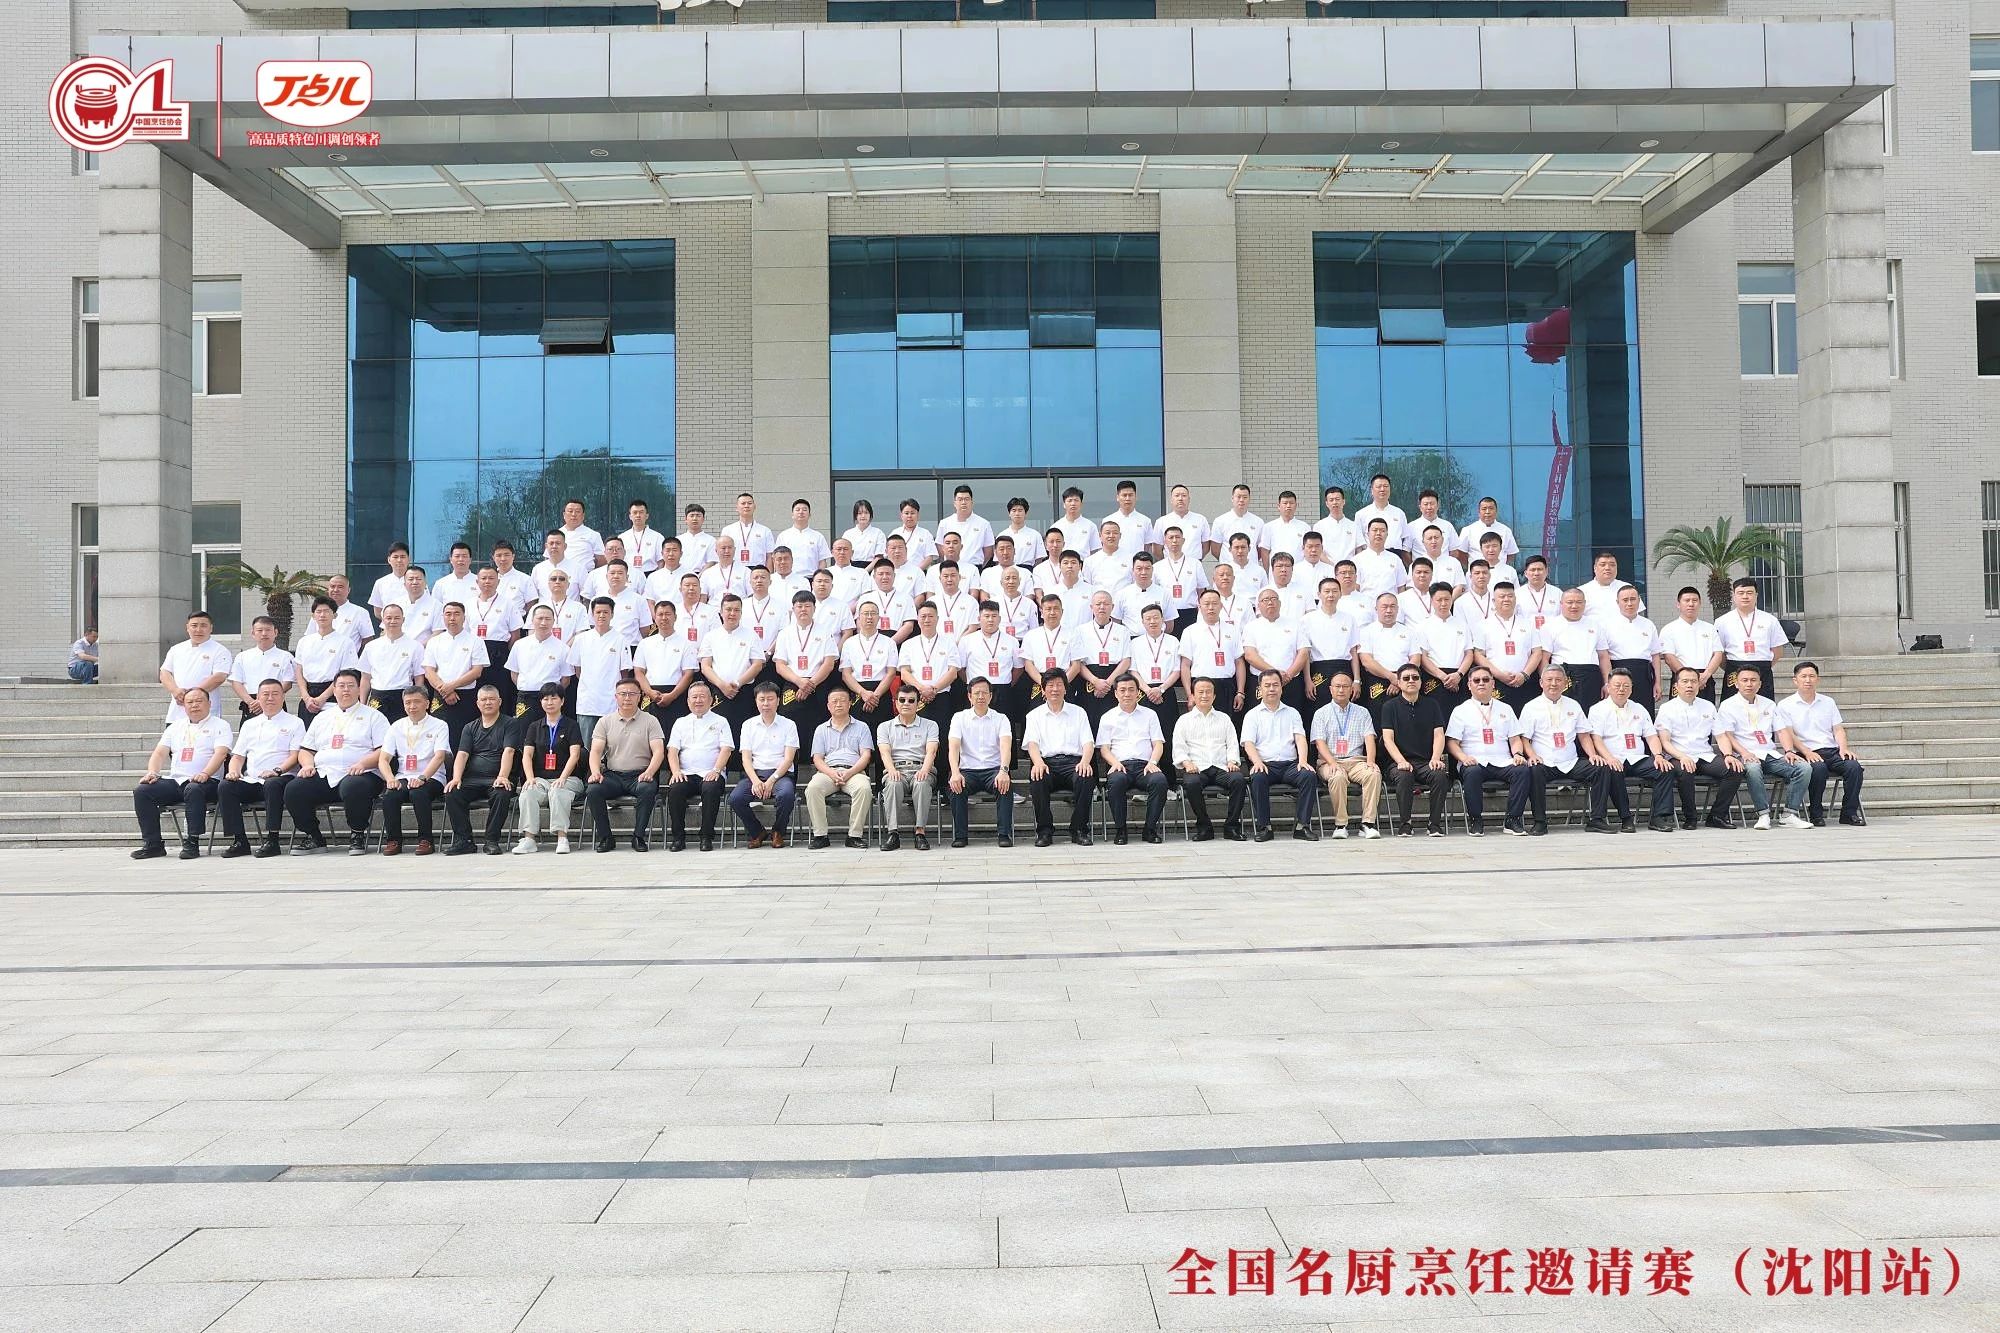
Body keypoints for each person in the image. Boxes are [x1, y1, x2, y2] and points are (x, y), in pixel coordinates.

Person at [285, 669, 389, 855]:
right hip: (325, 772)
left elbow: (384, 750)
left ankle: (357, 834)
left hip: (362, 773)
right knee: (295, 789)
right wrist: (308, 765)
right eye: (341, 686)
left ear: (359, 689)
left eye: (350, 686)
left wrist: (363, 764)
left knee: (353, 786)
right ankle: (314, 836)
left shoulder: (374, 716)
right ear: (334, 690)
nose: (345, 690)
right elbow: (306, 750)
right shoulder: (322, 717)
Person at [131, 683, 231, 860]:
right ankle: (153, 844)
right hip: (177, 781)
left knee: (194, 788)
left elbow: (221, 753)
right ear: (184, 706)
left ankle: (192, 842)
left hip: (208, 782)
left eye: (199, 701)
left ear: (209, 704)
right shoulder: (175, 727)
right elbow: (159, 753)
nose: (194, 705)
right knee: (143, 791)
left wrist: (205, 773)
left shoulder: (220, 725)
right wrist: (152, 772)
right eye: (190, 702)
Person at [1518, 664, 1616, 835]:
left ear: (1565, 683)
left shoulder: (1574, 705)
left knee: (1601, 768)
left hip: (1570, 761)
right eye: (1549, 680)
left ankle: (1597, 820)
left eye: (1558, 680)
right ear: (1541, 683)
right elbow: (1524, 739)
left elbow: (1584, 735)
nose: (1553, 683)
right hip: (1545, 761)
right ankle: (1540, 821)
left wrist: (1592, 755)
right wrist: (1532, 755)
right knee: (1533, 770)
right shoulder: (1530, 707)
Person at [215, 678, 305, 858]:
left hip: (282, 777)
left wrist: (277, 770)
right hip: (253, 779)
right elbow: (238, 756)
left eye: (275, 694)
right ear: (258, 697)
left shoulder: (295, 722)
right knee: (226, 786)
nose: (270, 698)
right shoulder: (250, 724)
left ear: (283, 697)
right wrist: (234, 771)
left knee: (272, 784)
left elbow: (295, 755)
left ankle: (272, 840)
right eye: (265, 694)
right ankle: (240, 841)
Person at [1714, 666, 1814, 830]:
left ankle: (1789, 814)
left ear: (1760, 684)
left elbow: (1781, 731)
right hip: (1743, 755)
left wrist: (1789, 751)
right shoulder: (1728, 705)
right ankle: (1763, 814)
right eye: (1745, 680)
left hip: (1769, 754)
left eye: (1753, 680)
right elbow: (1728, 735)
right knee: (1753, 769)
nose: (1749, 684)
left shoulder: (1769, 704)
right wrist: (1744, 753)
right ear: (1736, 683)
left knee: (1803, 768)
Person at [1584, 668, 1677, 833]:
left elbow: (1651, 737)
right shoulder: (1597, 709)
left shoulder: (1639, 708)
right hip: (1613, 757)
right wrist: (1609, 758)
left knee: (1665, 769)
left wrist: (1658, 755)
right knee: (1613, 771)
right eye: (1617, 685)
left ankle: (1659, 817)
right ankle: (1626, 818)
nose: (1621, 689)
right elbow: (1596, 739)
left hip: (1637, 758)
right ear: (1608, 687)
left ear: (1631, 688)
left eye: (1626, 686)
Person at [1654, 666, 1744, 831]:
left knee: (1734, 769)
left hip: (1704, 755)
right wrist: (1682, 756)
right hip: (1678, 755)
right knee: (1685, 771)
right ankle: (1690, 817)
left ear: (1699, 684)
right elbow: (1665, 742)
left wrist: (1728, 755)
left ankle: (1717, 816)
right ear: (1676, 686)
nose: (1689, 685)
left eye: (1693, 681)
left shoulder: (1708, 706)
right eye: (1685, 681)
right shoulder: (1667, 708)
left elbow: (1721, 736)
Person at [1445, 667, 1532, 836]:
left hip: (1502, 760)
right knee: (1472, 772)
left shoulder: (1506, 708)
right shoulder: (1460, 710)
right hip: (1473, 761)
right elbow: (1452, 743)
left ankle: (1512, 819)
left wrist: (1518, 754)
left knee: (1522, 770)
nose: (1481, 683)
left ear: (1493, 683)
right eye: (1476, 680)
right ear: (1469, 685)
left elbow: (1515, 739)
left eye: (1485, 680)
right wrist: (1463, 757)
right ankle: (1476, 819)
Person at [1780, 661, 1867, 827]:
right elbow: (1789, 734)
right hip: (1805, 751)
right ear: (1795, 680)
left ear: (1817, 679)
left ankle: (1849, 813)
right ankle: (1816, 814)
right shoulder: (1785, 705)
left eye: (1812, 676)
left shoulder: (1828, 702)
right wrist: (1807, 752)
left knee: (1854, 767)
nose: (1808, 680)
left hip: (1831, 750)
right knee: (1818, 769)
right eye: (1803, 676)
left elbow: (1838, 729)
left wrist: (1843, 748)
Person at [585, 679, 666, 851]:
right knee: (593, 790)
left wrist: (650, 772)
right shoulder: (605, 722)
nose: (627, 698)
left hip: (640, 775)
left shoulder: (651, 721)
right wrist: (595, 772)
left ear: (640, 696)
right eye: (623, 694)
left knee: (647, 789)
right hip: (614, 776)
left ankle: (638, 837)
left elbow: (659, 751)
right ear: (616, 697)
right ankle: (606, 837)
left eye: (632, 694)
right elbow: (595, 751)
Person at [1240, 670, 1320, 841]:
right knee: (1258, 777)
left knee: (1308, 775)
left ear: (1281, 688)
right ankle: (1265, 827)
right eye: (1267, 685)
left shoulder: (1292, 713)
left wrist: (1303, 761)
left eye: (1275, 685)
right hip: (1266, 765)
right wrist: (1257, 762)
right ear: (1260, 689)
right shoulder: (1252, 715)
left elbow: (1300, 738)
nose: (1271, 689)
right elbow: (1248, 743)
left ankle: (1302, 826)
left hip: (1290, 765)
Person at [1023, 671, 1097, 847]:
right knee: (1038, 778)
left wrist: (1085, 762)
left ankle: (1079, 829)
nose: (1055, 689)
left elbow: (1088, 743)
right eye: (1050, 685)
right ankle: (1044, 831)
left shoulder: (1078, 712)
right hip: (1047, 763)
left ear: (1065, 688)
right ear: (1043, 690)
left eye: (1059, 685)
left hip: (1074, 763)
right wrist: (1038, 763)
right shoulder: (1034, 715)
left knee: (1086, 777)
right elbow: (1032, 744)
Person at [440, 685, 515, 855]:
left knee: (502, 793)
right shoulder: (469, 727)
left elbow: (509, 751)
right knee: (452, 793)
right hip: (472, 779)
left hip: (496, 778)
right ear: (478, 703)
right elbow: (462, 754)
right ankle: (464, 841)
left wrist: (502, 776)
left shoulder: (510, 723)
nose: (488, 702)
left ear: (499, 702)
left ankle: (491, 840)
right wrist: (456, 778)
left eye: (492, 699)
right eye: (484, 699)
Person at [377, 685, 451, 855]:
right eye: (408, 702)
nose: (412, 706)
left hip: (432, 776)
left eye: (416, 702)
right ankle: (393, 840)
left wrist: (422, 778)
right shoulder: (396, 726)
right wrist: (390, 779)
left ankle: (426, 840)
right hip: (404, 775)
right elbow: (383, 759)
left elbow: (440, 756)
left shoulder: (439, 725)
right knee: (390, 795)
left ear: (427, 703)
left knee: (418, 793)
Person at [512, 684, 585, 854]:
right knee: (528, 793)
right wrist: (530, 778)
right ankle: (529, 839)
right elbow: (527, 755)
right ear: (540, 702)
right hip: (542, 780)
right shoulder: (534, 727)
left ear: (562, 701)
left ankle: (562, 837)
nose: (549, 702)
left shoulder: (571, 725)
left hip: (569, 779)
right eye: (545, 699)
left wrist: (563, 778)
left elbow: (575, 755)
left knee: (558, 791)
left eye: (554, 698)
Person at [661, 680, 733, 852]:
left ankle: (706, 836)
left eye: (702, 697)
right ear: (688, 701)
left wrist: (716, 770)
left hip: (712, 772)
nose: (698, 700)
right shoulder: (680, 722)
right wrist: (676, 771)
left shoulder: (721, 721)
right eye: (694, 697)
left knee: (710, 788)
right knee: (675, 789)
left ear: (711, 700)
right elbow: (672, 751)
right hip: (685, 773)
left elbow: (726, 749)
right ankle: (678, 838)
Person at [1097, 675, 1169, 844]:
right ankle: (1121, 830)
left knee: (1159, 781)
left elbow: (1158, 744)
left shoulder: (1150, 715)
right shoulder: (1107, 717)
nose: (1127, 694)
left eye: (1131, 690)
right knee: (1116, 781)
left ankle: (1149, 830)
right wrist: (1115, 763)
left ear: (1138, 692)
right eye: (1122, 690)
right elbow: (1104, 749)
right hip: (1120, 765)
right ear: (1116, 693)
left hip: (1145, 765)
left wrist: (1152, 762)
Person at [1379, 664, 1449, 837]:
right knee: (1404, 776)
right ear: (1399, 682)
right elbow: (1387, 739)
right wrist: (1401, 761)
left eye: (1415, 677)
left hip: (1425, 762)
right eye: (1406, 678)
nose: (1411, 681)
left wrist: (1435, 758)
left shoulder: (1432, 704)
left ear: (1420, 682)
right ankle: (1405, 823)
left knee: (1439, 775)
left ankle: (1434, 824)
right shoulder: (1389, 707)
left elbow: (1439, 735)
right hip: (1398, 762)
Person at [1174, 676, 1247, 842]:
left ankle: (1231, 827)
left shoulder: (1224, 718)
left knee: (1238, 780)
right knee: (1192, 783)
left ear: (1214, 696)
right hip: (1197, 767)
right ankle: (1204, 827)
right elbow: (1178, 747)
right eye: (1200, 692)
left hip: (1221, 767)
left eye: (1208, 692)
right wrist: (1186, 762)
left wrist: (1232, 761)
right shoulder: (1184, 721)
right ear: (1193, 695)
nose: (1204, 695)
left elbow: (1232, 744)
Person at [1310, 671, 1381, 839]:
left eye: (1345, 686)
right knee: (1337, 777)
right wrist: (1332, 762)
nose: (1341, 690)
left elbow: (1369, 738)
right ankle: (1341, 824)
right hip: (1329, 761)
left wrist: (1371, 761)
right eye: (1337, 686)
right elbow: (1319, 743)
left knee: (1373, 774)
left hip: (1356, 761)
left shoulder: (1362, 712)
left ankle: (1367, 824)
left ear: (1351, 689)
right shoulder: (1321, 713)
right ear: (1330, 689)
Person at [729, 681, 800, 848]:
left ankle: (778, 831)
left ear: (778, 700)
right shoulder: (748, 725)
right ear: (756, 701)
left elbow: (789, 759)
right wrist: (756, 781)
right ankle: (757, 832)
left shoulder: (789, 725)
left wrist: (771, 781)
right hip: (754, 774)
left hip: (780, 775)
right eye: (762, 699)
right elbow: (746, 759)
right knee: (736, 798)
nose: (766, 703)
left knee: (786, 795)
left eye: (770, 699)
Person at [804, 687, 874, 849]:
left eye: (842, 701)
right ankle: (820, 835)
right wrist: (832, 773)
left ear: (850, 703)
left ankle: (854, 836)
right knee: (813, 788)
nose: (838, 704)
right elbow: (817, 759)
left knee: (864, 789)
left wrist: (849, 772)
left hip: (854, 771)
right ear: (828, 706)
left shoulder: (862, 727)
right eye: (834, 701)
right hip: (828, 772)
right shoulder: (821, 729)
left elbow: (865, 756)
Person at [947, 676, 1013, 847]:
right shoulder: (959, 718)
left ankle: (1004, 834)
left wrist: (1004, 771)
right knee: (956, 786)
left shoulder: (1001, 718)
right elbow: (953, 748)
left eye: (985, 693)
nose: (981, 696)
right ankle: (961, 836)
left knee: (1005, 785)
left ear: (991, 696)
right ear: (969, 696)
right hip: (968, 770)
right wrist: (955, 772)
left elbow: (1006, 747)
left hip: (994, 770)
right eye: (977, 693)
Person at [877, 683, 939, 851]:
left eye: (911, 700)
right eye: (902, 700)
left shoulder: (930, 725)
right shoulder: (884, 727)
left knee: (921, 783)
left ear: (918, 703)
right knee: (893, 784)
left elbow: (931, 751)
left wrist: (924, 770)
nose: (906, 704)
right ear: (895, 703)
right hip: (896, 769)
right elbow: (884, 752)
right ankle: (893, 833)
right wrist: (892, 770)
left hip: (922, 768)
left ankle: (920, 833)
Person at [422, 601, 487, 747]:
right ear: (443, 617)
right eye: (448, 614)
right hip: (440, 695)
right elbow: (429, 671)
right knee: (438, 738)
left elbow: (477, 671)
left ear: (464, 617)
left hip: (466, 695)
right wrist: (444, 690)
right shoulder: (434, 641)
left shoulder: (475, 641)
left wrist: (451, 687)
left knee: (464, 738)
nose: (452, 618)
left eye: (457, 614)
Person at [700, 594, 767, 733]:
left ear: (741, 613)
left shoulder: (751, 635)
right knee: (717, 732)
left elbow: (757, 665)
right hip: (718, 691)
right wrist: (721, 685)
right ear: (721, 612)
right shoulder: (711, 636)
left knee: (743, 731)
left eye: (737, 610)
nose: (732, 613)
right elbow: (705, 666)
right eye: (728, 609)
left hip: (743, 691)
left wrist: (737, 683)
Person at [1476, 582, 1545, 715]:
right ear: (1494, 601)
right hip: (1496, 681)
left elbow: (1537, 652)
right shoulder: (1483, 626)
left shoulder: (1528, 624)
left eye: (1510, 596)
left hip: (1524, 681)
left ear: (1515, 599)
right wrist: (1499, 675)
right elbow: (1478, 655)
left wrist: (1524, 674)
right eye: (1502, 596)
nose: (1506, 599)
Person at [1717, 577, 1790, 701]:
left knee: (1765, 705)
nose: (1745, 596)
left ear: (1756, 595)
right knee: (1732, 705)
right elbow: (1719, 652)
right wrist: (1732, 666)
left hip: (1762, 669)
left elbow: (1778, 651)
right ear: (1734, 596)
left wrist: (1763, 666)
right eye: (1741, 593)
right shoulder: (1722, 621)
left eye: (1749, 593)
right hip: (1734, 669)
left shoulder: (1770, 620)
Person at [1181, 588, 1247, 723]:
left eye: (1214, 603)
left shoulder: (1233, 630)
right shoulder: (1190, 631)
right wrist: (1189, 694)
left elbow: (1239, 662)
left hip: (1226, 685)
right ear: (1199, 607)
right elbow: (1185, 665)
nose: (1210, 607)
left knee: (1226, 724)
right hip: (1200, 686)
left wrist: (1240, 692)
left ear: (1221, 606)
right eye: (1206, 604)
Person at [1542, 588, 1612, 713]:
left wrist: (1607, 683)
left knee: (1591, 714)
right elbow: (1544, 658)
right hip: (1564, 676)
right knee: (1564, 714)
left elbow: (1603, 656)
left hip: (1591, 676)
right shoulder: (1549, 626)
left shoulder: (1595, 625)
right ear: (1561, 604)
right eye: (1570, 602)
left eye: (1579, 602)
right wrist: (1546, 682)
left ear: (1584, 604)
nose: (1574, 606)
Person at [159, 610, 233, 724]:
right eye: (194, 625)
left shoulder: (220, 650)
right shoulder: (176, 649)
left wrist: (192, 696)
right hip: (177, 712)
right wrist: (175, 691)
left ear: (211, 628)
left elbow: (219, 677)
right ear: (187, 627)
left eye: (203, 625)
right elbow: (164, 672)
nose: (198, 630)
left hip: (205, 713)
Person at [294, 597, 357, 722]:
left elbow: (346, 674)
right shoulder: (304, 641)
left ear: (335, 615)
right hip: (308, 698)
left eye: (327, 611)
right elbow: (299, 670)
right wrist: (306, 697)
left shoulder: (345, 642)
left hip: (333, 697)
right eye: (318, 611)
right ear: (313, 616)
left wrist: (322, 698)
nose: (322, 615)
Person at [1603, 584, 1664, 713]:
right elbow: (1604, 656)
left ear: (1639, 600)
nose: (1629, 603)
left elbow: (1655, 656)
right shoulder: (1607, 625)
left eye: (1633, 599)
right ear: (1617, 602)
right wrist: (1607, 682)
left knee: (1644, 711)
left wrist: (1658, 682)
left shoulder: (1648, 624)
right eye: (1625, 600)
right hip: (1618, 672)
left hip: (1643, 674)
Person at [1658, 587, 1726, 702]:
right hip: (1681, 679)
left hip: (1705, 679)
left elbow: (1718, 654)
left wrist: (1705, 676)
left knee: (1707, 711)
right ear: (1678, 604)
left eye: (1694, 600)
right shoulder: (1669, 629)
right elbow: (1669, 657)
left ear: (1700, 604)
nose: (1691, 604)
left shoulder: (1709, 628)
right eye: (1687, 600)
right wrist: (1689, 678)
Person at [226, 616, 297, 716]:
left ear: (275, 632)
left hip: (275, 701)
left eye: (268, 630)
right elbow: (236, 682)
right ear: (253, 633)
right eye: (260, 630)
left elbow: (288, 682)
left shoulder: (286, 656)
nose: (264, 634)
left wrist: (265, 699)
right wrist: (251, 702)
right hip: (251, 705)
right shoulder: (242, 656)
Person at [360, 604, 418, 724]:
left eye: (397, 618)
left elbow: (419, 678)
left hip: (403, 696)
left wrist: (417, 700)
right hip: (378, 695)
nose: (392, 621)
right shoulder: (371, 646)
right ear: (383, 620)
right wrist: (362, 704)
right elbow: (365, 678)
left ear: (403, 619)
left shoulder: (415, 646)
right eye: (389, 618)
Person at [841, 499, 887, 565]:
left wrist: (865, 570)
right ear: (855, 516)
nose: (863, 516)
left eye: (866, 513)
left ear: (870, 515)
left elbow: (879, 557)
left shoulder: (878, 533)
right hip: (851, 566)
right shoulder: (848, 534)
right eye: (860, 513)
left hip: (872, 567)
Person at [679, 501, 717, 572]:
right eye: (692, 515)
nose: (695, 518)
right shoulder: (678, 540)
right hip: (681, 575)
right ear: (686, 519)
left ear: (703, 519)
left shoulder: (711, 540)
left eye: (698, 516)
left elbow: (712, 561)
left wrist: (699, 576)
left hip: (703, 575)